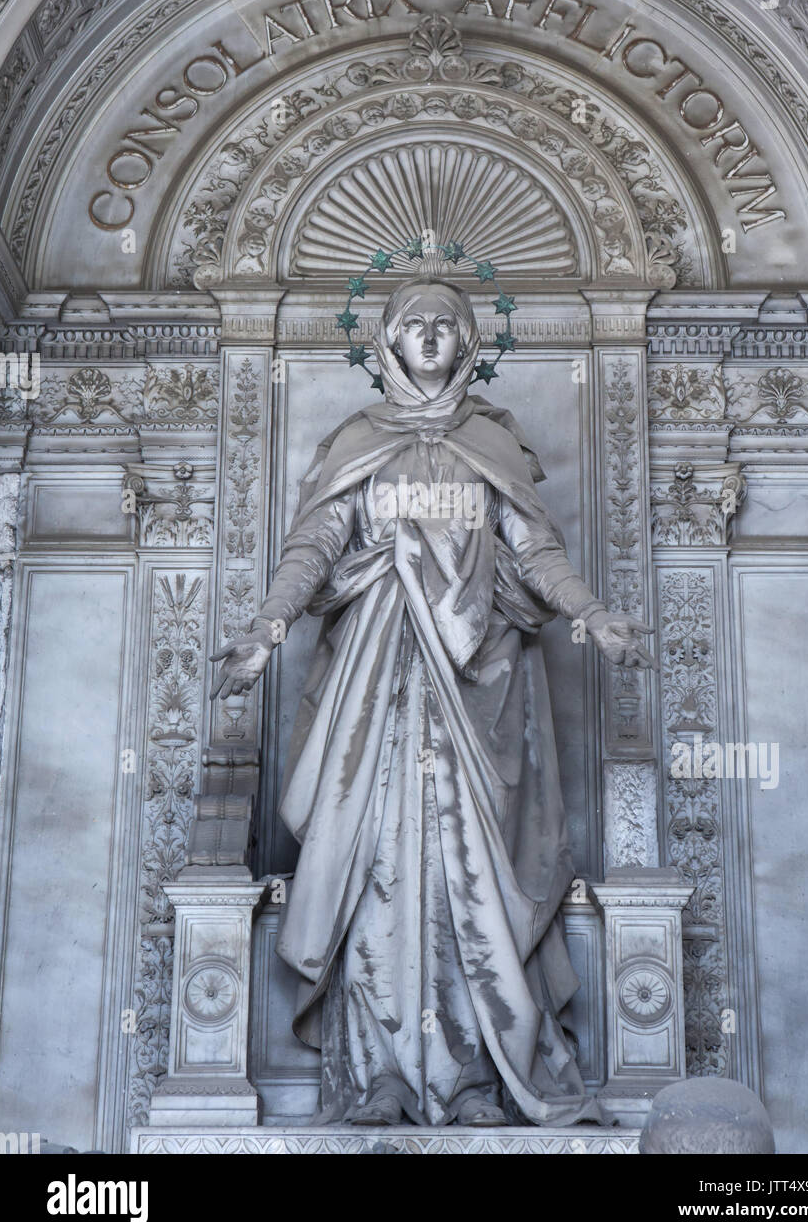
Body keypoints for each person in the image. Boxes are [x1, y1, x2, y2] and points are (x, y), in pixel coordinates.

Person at [211, 277, 656, 1127]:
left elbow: (535, 550)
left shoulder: (492, 442)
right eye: (410, 325)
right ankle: (380, 1072)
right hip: (376, 690)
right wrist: (268, 629)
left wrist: (592, 616)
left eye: (442, 326)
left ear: (466, 342)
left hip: (479, 692)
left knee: (473, 880)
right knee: (379, 870)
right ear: (384, 343)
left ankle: (478, 1077)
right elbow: (313, 547)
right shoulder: (358, 442)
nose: (426, 339)